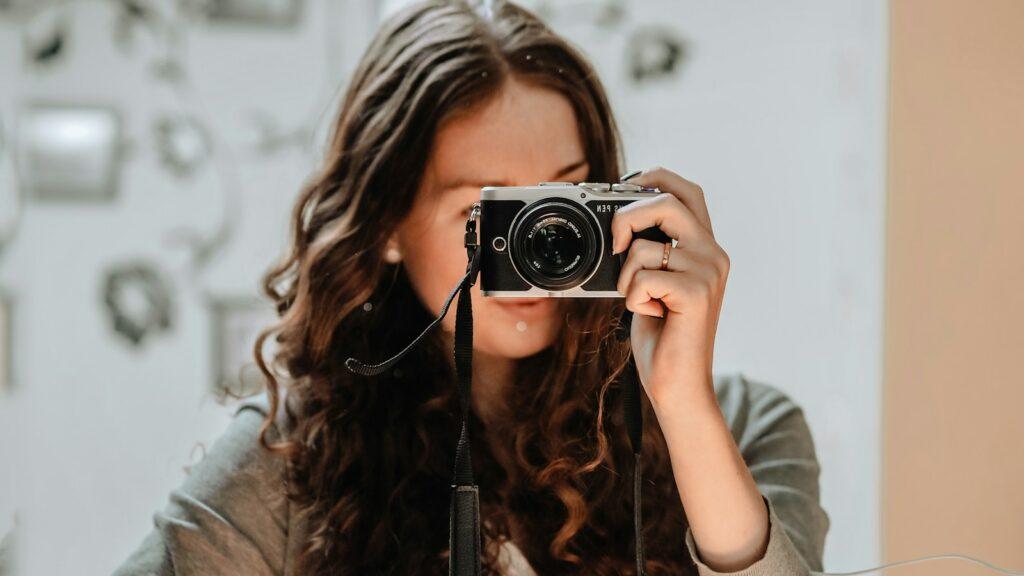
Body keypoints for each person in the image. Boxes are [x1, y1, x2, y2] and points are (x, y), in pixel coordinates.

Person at [113, 1, 830, 574]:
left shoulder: (743, 427)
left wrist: (684, 409)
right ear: (389, 221)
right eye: (491, 214)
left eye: (565, 199)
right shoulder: (296, 467)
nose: (538, 247)